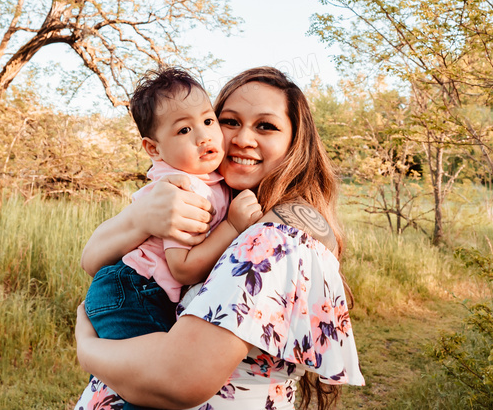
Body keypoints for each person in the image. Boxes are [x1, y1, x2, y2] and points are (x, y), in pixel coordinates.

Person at [74, 67, 364, 410]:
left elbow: (180, 380)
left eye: (266, 126)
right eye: (229, 121)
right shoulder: (202, 198)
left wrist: (88, 350)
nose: (242, 138)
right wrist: (139, 218)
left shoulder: (279, 228)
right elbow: (91, 261)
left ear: (294, 143)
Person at [82, 67, 264, 410]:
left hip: (139, 289)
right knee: (152, 390)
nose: (204, 136)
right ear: (154, 148)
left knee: (138, 386)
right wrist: (234, 226)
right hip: (133, 290)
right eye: (184, 129)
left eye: (209, 121)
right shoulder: (187, 187)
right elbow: (181, 267)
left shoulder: (210, 179)